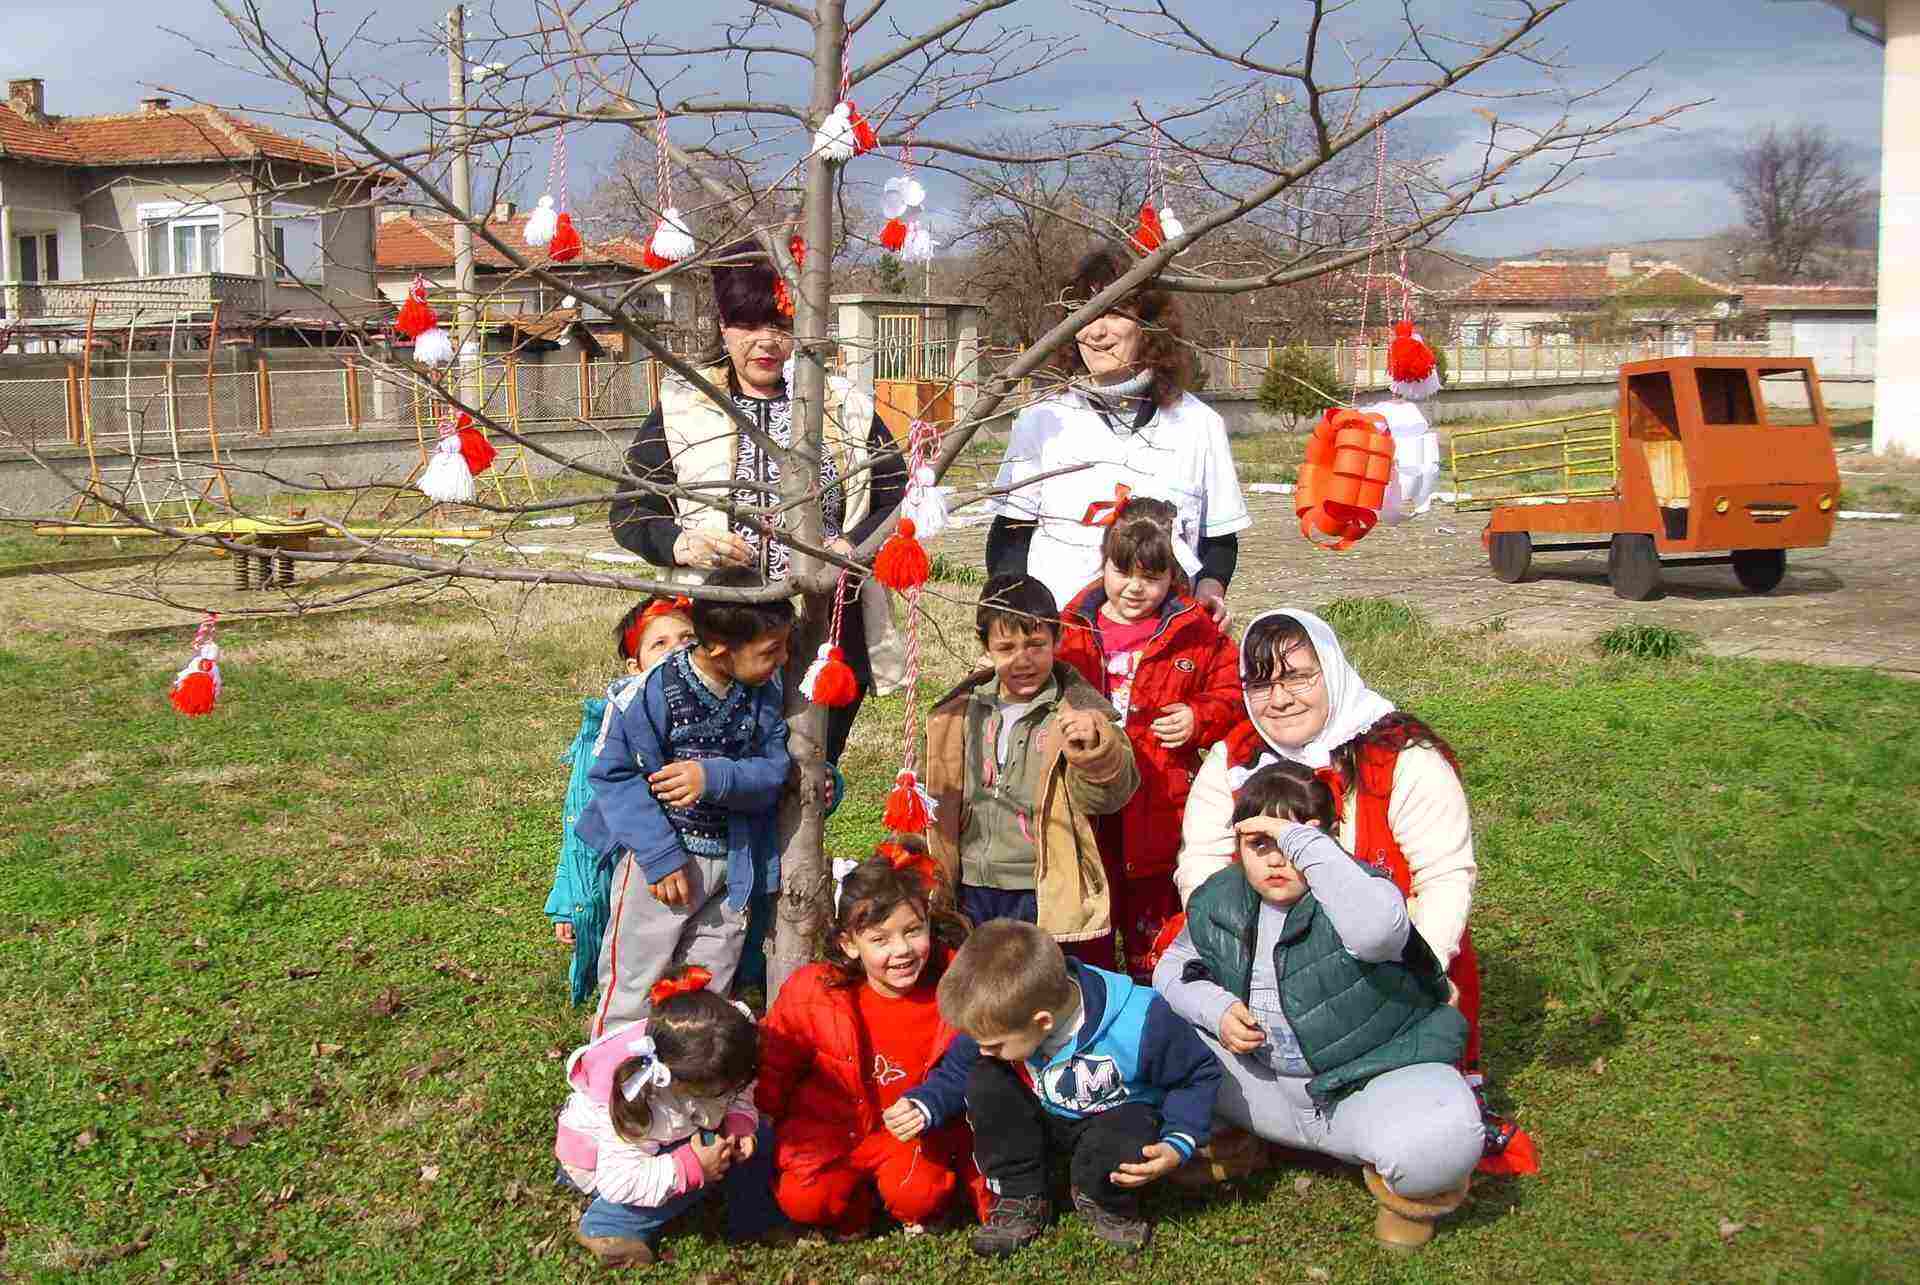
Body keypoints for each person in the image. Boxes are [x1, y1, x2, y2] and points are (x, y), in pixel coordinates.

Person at [1172, 608, 1536, 1174]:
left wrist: (1419, 973)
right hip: (1267, 970)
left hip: (1381, 977)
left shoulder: (1402, 757)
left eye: (1298, 677)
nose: (1280, 699)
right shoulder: (1234, 759)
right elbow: (1200, 866)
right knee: (1166, 1010)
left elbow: (1444, 877)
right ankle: (1260, 1108)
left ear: (1332, 671)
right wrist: (1230, 972)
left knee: (1428, 1125)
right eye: (1261, 683)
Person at [1154, 762, 1481, 1250]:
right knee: (1153, 1037)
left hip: (1366, 1082)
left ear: (1326, 840)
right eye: (1260, 844)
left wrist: (1307, 849)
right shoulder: (1221, 897)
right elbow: (1172, 971)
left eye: (1292, 842)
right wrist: (1217, 1010)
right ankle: (1236, 1143)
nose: (1277, 859)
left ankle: (1404, 1191)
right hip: (1261, 1084)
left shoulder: (1362, 891)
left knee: (1443, 1140)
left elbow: (1376, 932)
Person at [606, 238, 906, 766]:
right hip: (720, 629)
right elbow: (631, 511)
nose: (766, 341)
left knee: (812, 768)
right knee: (723, 772)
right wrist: (684, 543)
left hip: (827, 624)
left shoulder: (845, 407)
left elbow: (898, 497)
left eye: (781, 326)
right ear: (724, 328)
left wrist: (850, 547)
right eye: (747, 325)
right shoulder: (686, 404)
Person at [574, 569, 794, 1037]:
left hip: (733, 867)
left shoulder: (763, 694)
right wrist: (659, 856)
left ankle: (690, 1070)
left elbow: (774, 770)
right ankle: (617, 1070)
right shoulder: (651, 693)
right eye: (771, 651)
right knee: (637, 979)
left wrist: (713, 776)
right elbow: (614, 775)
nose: (784, 660)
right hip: (660, 867)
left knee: (709, 985)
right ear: (720, 650)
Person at [985, 245, 1250, 619]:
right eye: (1084, 315)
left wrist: (1211, 589)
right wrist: (1018, 611)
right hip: (1066, 631)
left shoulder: (1198, 423)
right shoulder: (1042, 420)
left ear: (1148, 323)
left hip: (1164, 634)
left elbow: (1218, 539)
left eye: (1112, 313)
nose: (1097, 331)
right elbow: (1011, 534)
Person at [937, 919, 1221, 1256]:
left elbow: (1196, 1073)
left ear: (1042, 1021)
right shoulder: (1006, 1016)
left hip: (1114, 1115)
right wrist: (925, 1102)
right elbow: (960, 1063)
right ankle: (1020, 1193)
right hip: (1044, 1111)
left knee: (1126, 1134)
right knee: (987, 1079)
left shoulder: (1144, 1021)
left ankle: (1101, 1196)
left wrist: (1178, 1142)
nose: (984, 1050)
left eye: (995, 1044)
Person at [1054, 495, 1240, 979]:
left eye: (1151, 577)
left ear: (1172, 575)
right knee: (1089, 926)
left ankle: (1159, 999)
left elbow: (1234, 692)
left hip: (1162, 803)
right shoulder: (1070, 628)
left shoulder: (1193, 631)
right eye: (1122, 572)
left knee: (1157, 936)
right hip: (1088, 806)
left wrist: (1199, 716)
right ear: (1103, 563)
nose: (1135, 588)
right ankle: (1095, 999)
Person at [756, 849, 988, 1238]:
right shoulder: (813, 991)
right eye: (880, 939)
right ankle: (856, 1209)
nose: (901, 950)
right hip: (832, 1131)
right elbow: (776, 1061)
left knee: (919, 1194)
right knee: (805, 1200)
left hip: (910, 1137)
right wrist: (757, 1117)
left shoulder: (954, 989)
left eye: (913, 931)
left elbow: (976, 1068)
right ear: (849, 943)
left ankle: (909, 1203)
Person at [923, 574, 1137, 968]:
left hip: (1039, 888)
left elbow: (1108, 798)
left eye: (1037, 645)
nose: (1023, 660)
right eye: (1006, 648)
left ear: (1057, 640)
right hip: (971, 887)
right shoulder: (960, 712)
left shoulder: (1077, 714)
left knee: (1039, 985)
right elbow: (933, 795)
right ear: (985, 646)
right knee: (980, 986)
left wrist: (1093, 751)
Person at [554, 968, 787, 1267]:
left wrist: (740, 1122)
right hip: (600, 1165)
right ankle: (606, 1225)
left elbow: (741, 1086)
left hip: (677, 1126)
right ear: (680, 1085)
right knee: (704, 1158)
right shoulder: (644, 1101)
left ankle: (753, 1219)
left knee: (757, 1137)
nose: (734, 1089)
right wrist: (692, 1167)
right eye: (723, 1091)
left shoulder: (724, 1038)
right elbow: (619, 1179)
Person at [546, 595, 698, 1006]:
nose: (677, 651)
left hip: (706, 869)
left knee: (693, 962)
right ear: (635, 667)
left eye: (687, 639)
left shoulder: (723, 707)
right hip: (635, 868)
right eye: (660, 644)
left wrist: (820, 783)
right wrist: (569, 901)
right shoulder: (613, 728)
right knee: (638, 963)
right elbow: (579, 826)